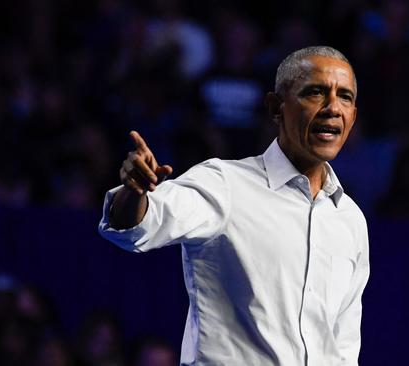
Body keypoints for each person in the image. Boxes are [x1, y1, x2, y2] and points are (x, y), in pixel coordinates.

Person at [98, 46, 370, 365]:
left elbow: (343, 347)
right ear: (276, 107)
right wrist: (135, 192)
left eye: (346, 97)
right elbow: (136, 227)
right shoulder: (225, 184)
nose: (332, 108)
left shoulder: (349, 218)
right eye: (315, 92)